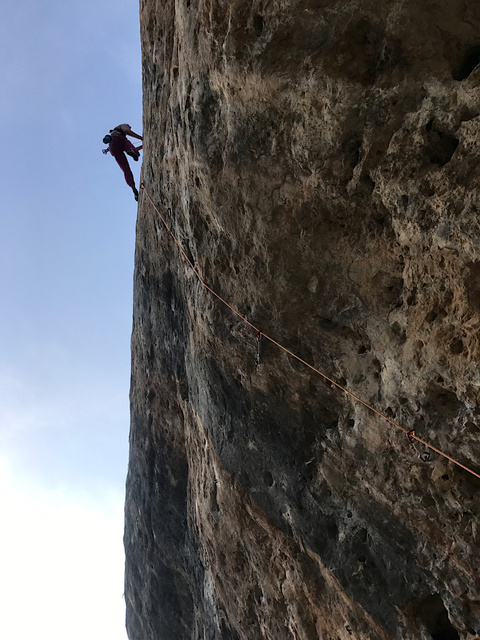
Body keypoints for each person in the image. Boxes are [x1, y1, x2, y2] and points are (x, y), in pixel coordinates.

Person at [103, 124, 143, 200]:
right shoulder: (121, 126)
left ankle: (133, 189)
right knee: (129, 147)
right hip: (119, 139)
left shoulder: (113, 134)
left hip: (113, 148)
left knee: (125, 169)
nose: (130, 127)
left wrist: (142, 146)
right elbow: (127, 131)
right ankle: (131, 151)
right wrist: (141, 138)